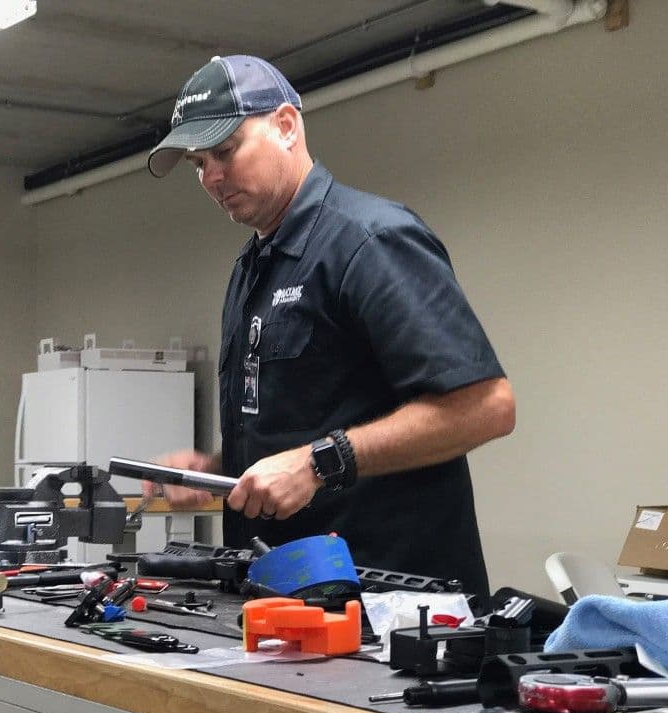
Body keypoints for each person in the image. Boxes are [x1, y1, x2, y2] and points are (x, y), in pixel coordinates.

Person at [145, 54, 515, 605]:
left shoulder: (370, 241)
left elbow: (487, 407)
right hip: (284, 599)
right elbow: (301, 426)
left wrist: (321, 462)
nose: (211, 177)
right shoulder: (252, 268)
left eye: (225, 151)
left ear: (286, 126)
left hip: (390, 611)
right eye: (198, 164)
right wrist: (218, 471)